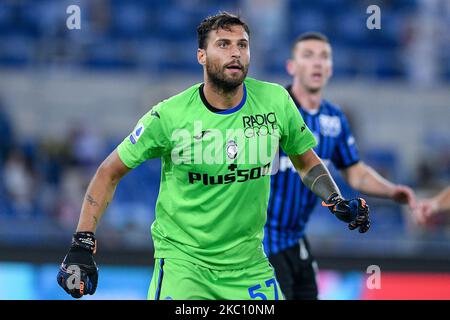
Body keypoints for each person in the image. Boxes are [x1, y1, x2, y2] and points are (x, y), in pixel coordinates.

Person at [56, 14, 370, 300]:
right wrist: (82, 242)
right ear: (201, 56)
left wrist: (335, 199)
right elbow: (108, 172)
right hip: (185, 268)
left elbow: (306, 161)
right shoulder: (169, 116)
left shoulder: (276, 101)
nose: (235, 53)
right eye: (223, 44)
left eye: (242, 45)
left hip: (249, 268)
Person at [264, 32, 416, 300]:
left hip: (296, 241)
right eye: (308, 56)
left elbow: (354, 171)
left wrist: (392, 191)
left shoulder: (334, 118)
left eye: (324, 57)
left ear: (331, 68)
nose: (317, 63)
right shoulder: (271, 112)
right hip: (260, 243)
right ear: (292, 66)